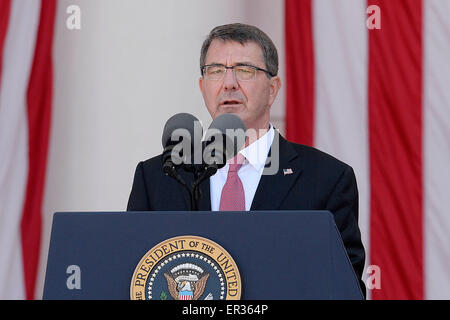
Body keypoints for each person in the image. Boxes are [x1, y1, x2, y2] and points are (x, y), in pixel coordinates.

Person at [127, 23, 366, 297]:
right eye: (216, 71)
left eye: (244, 70)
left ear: (273, 88)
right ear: (203, 86)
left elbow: (343, 289)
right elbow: (134, 275)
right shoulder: (159, 176)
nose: (229, 84)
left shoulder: (327, 179)